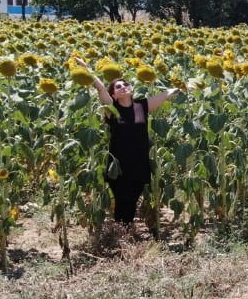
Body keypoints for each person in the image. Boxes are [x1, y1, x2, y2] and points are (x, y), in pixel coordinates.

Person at [75, 57, 182, 225]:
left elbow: (165, 94)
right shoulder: (112, 109)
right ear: (113, 95)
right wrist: (86, 69)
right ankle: (119, 233)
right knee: (122, 199)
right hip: (119, 164)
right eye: (118, 87)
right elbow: (100, 87)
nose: (123, 87)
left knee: (132, 200)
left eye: (126, 85)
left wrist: (181, 87)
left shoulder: (142, 105)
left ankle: (126, 231)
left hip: (139, 162)